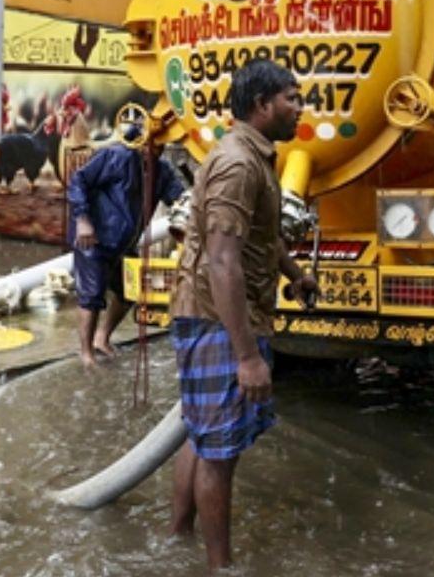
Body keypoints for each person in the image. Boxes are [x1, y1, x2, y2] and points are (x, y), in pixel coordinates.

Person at [166, 59, 316, 571]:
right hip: (216, 319)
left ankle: (179, 536)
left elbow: (261, 239)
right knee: (220, 451)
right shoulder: (237, 163)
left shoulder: (255, 158)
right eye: (292, 98)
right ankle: (220, 567)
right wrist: (247, 356)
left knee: (203, 432)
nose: (300, 108)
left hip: (218, 316)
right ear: (262, 105)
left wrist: (295, 275)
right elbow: (221, 259)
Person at [67, 132, 184, 367]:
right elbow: (78, 180)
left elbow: (179, 199)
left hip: (124, 244)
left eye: (160, 146)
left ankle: (102, 338)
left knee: (128, 289)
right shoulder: (116, 156)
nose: (155, 150)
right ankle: (86, 353)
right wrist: (82, 219)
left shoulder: (162, 171)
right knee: (92, 295)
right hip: (94, 237)